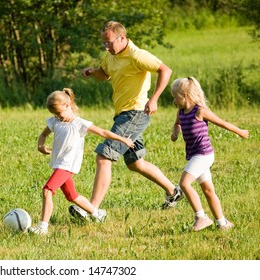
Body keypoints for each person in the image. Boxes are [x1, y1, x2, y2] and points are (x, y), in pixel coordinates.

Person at [70, 21, 183, 222]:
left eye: (109, 42)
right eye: (104, 43)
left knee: (104, 157)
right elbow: (104, 74)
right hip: (123, 114)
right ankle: (173, 191)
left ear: (122, 38)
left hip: (135, 113)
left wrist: (154, 98)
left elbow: (165, 70)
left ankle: (92, 210)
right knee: (135, 163)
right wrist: (92, 72)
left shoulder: (137, 55)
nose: (106, 47)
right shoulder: (111, 56)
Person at [29, 88, 135, 235]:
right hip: (58, 164)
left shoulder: (80, 124)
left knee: (47, 190)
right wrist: (40, 145)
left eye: (59, 113)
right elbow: (43, 134)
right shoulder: (55, 121)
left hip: (67, 165)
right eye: (54, 114)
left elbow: (103, 132)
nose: (57, 116)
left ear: (67, 105)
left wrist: (123, 139)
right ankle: (97, 214)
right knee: (72, 196)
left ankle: (42, 227)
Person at [170, 77, 249, 231]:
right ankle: (223, 223)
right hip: (194, 155)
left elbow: (223, 123)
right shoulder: (180, 112)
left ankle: (201, 217)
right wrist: (175, 132)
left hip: (204, 154)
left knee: (184, 184)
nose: (174, 100)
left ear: (185, 94)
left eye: (175, 96)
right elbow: (177, 123)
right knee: (208, 190)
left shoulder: (200, 111)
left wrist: (240, 131)